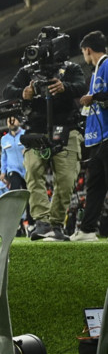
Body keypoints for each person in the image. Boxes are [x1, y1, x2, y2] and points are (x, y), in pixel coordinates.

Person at [2, 26, 87, 242]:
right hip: (36, 129)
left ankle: (57, 224)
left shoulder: (70, 68)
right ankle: (42, 222)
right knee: (32, 172)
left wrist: (64, 87)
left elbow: (81, 86)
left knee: (66, 179)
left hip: (66, 128)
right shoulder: (27, 71)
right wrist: (24, 92)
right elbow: (7, 91)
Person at [71, 30, 108, 241]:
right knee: (94, 186)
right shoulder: (95, 73)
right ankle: (87, 229)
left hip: (107, 135)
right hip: (97, 139)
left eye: (83, 52)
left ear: (87, 50)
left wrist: (93, 98)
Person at [0, 116, 31, 231]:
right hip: (13, 170)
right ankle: (14, 222)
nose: (11, 123)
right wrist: (3, 171)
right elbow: (3, 157)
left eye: (13, 120)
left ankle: (31, 223)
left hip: (27, 169)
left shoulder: (26, 134)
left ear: (19, 121)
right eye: (8, 121)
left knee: (29, 195)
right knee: (15, 190)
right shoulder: (4, 139)